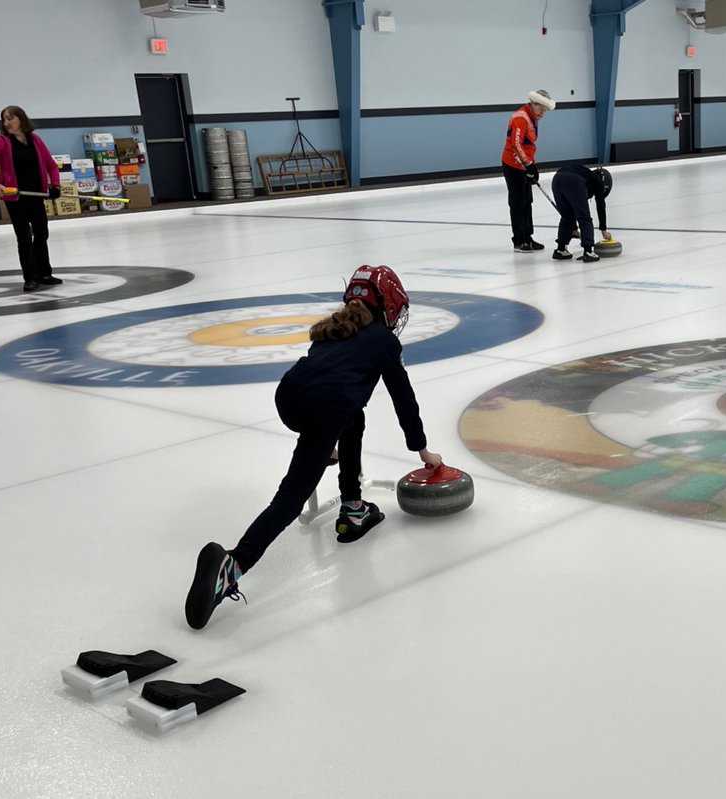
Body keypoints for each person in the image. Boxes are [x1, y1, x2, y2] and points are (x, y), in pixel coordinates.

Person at [185, 264, 443, 630]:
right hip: (325, 412)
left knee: (353, 417)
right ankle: (232, 566)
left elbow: (325, 381)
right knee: (289, 499)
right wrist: (422, 450)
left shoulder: (337, 329)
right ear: (388, 305)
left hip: (290, 398)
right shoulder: (385, 341)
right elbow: (403, 398)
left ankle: (353, 507)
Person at [0, 105, 64, 292]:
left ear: (21, 119)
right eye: (4, 119)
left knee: (41, 234)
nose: (7, 122)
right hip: (15, 198)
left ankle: (45, 273)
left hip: (36, 196)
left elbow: (51, 166)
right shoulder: (2, 142)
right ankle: (30, 278)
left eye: (10, 118)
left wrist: (55, 185)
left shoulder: (36, 140)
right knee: (24, 237)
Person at [502, 89, 555, 253]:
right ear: (534, 103)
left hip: (525, 165)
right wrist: (528, 165)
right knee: (517, 202)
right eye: (541, 109)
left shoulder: (533, 118)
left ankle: (528, 237)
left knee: (527, 201)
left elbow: (528, 145)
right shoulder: (521, 118)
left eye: (545, 110)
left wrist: (533, 166)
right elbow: (516, 145)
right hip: (513, 165)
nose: (543, 113)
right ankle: (519, 240)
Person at [551, 165, 611, 263]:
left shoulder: (586, 174)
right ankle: (588, 251)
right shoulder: (598, 182)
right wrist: (603, 230)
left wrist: (573, 228)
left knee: (567, 216)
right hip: (574, 181)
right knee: (584, 218)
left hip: (557, 179)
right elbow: (600, 206)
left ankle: (560, 249)